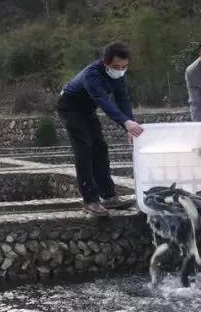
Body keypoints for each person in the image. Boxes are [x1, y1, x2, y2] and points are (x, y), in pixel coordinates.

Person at [57, 42, 144, 217]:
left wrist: (128, 122)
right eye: (116, 67)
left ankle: (109, 196)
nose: (120, 70)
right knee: (84, 149)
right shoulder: (92, 74)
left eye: (124, 67)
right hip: (70, 107)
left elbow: (123, 99)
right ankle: (90, 200)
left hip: (87, 110)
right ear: (105, 63)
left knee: (100, 148)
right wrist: (125, 123)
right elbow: (102, 100)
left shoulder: (119, 76)